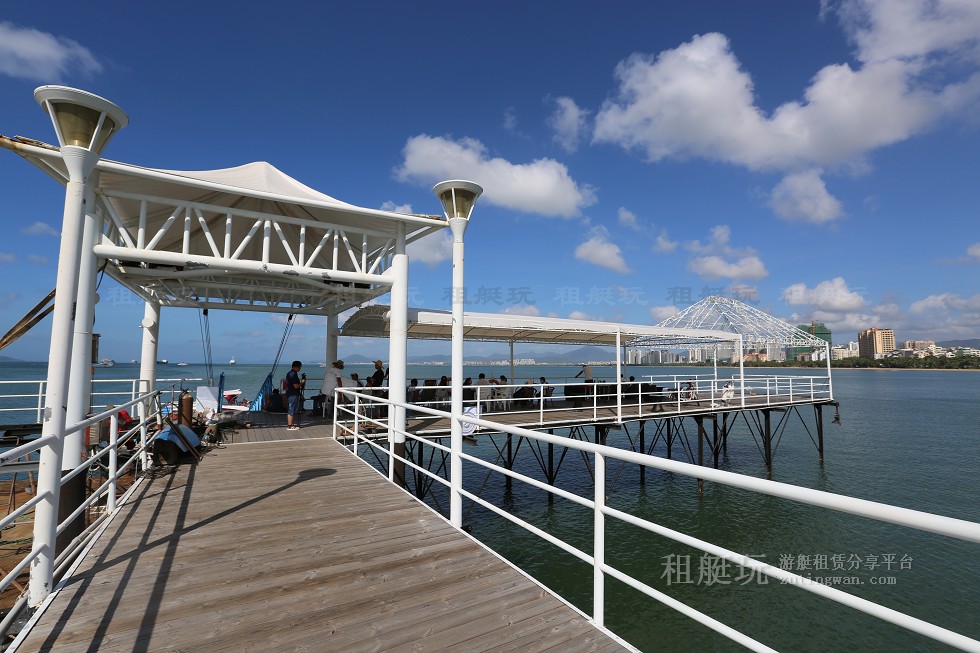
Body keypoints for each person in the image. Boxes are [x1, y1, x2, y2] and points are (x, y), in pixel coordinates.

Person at [284, 360, 305, 430]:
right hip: (293, 394)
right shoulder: (293, 374)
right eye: (300, 367)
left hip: (291, 393)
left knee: (293, 408)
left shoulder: (290, 373)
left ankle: (292, 424)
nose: (300, 368)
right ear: (297, 367)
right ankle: (290, 425)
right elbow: (296, 386)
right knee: (292, 409)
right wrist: (302, 382)